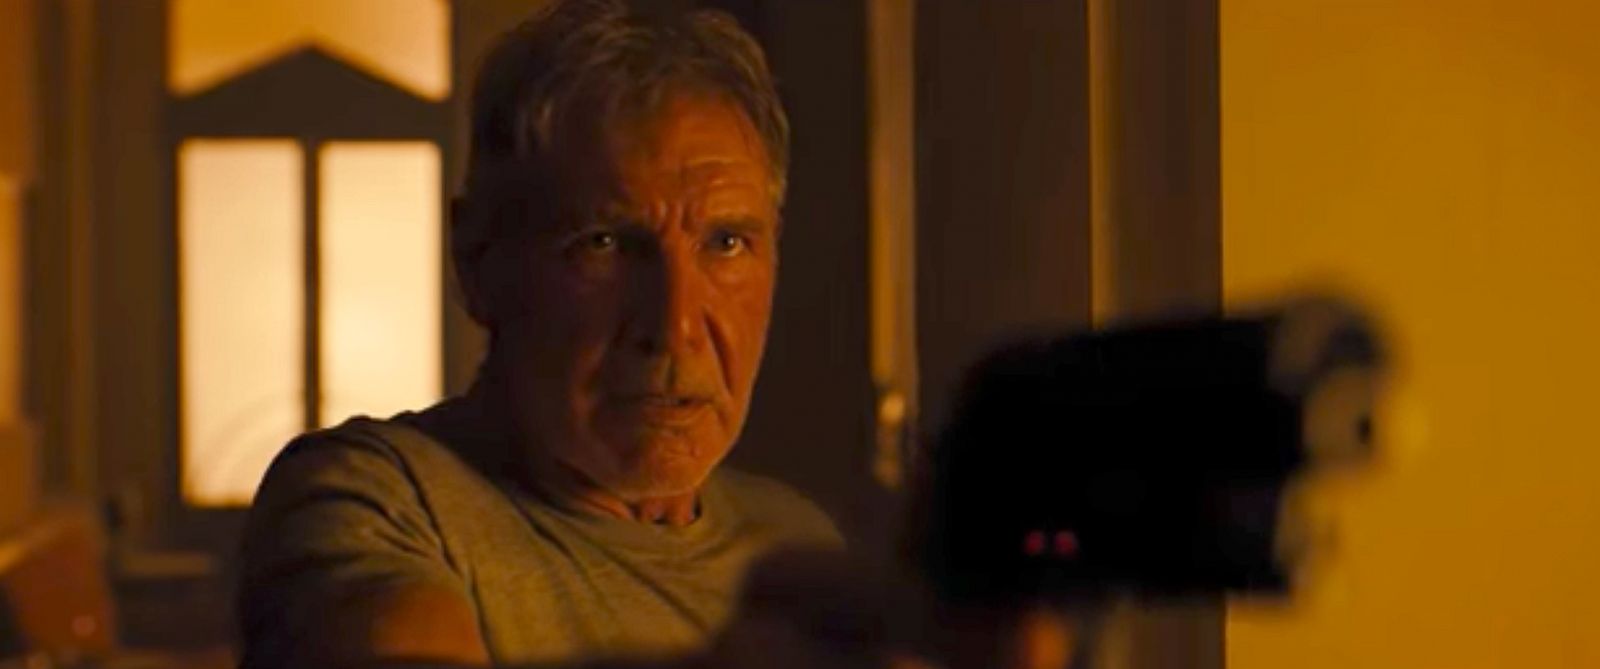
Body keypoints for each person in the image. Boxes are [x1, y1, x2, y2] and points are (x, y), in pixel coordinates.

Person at [236, 2, 847, 667]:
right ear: (479, 259)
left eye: (726, 242)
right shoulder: (379, 502)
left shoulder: (796, 543)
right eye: (604, 243)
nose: (673, 326)